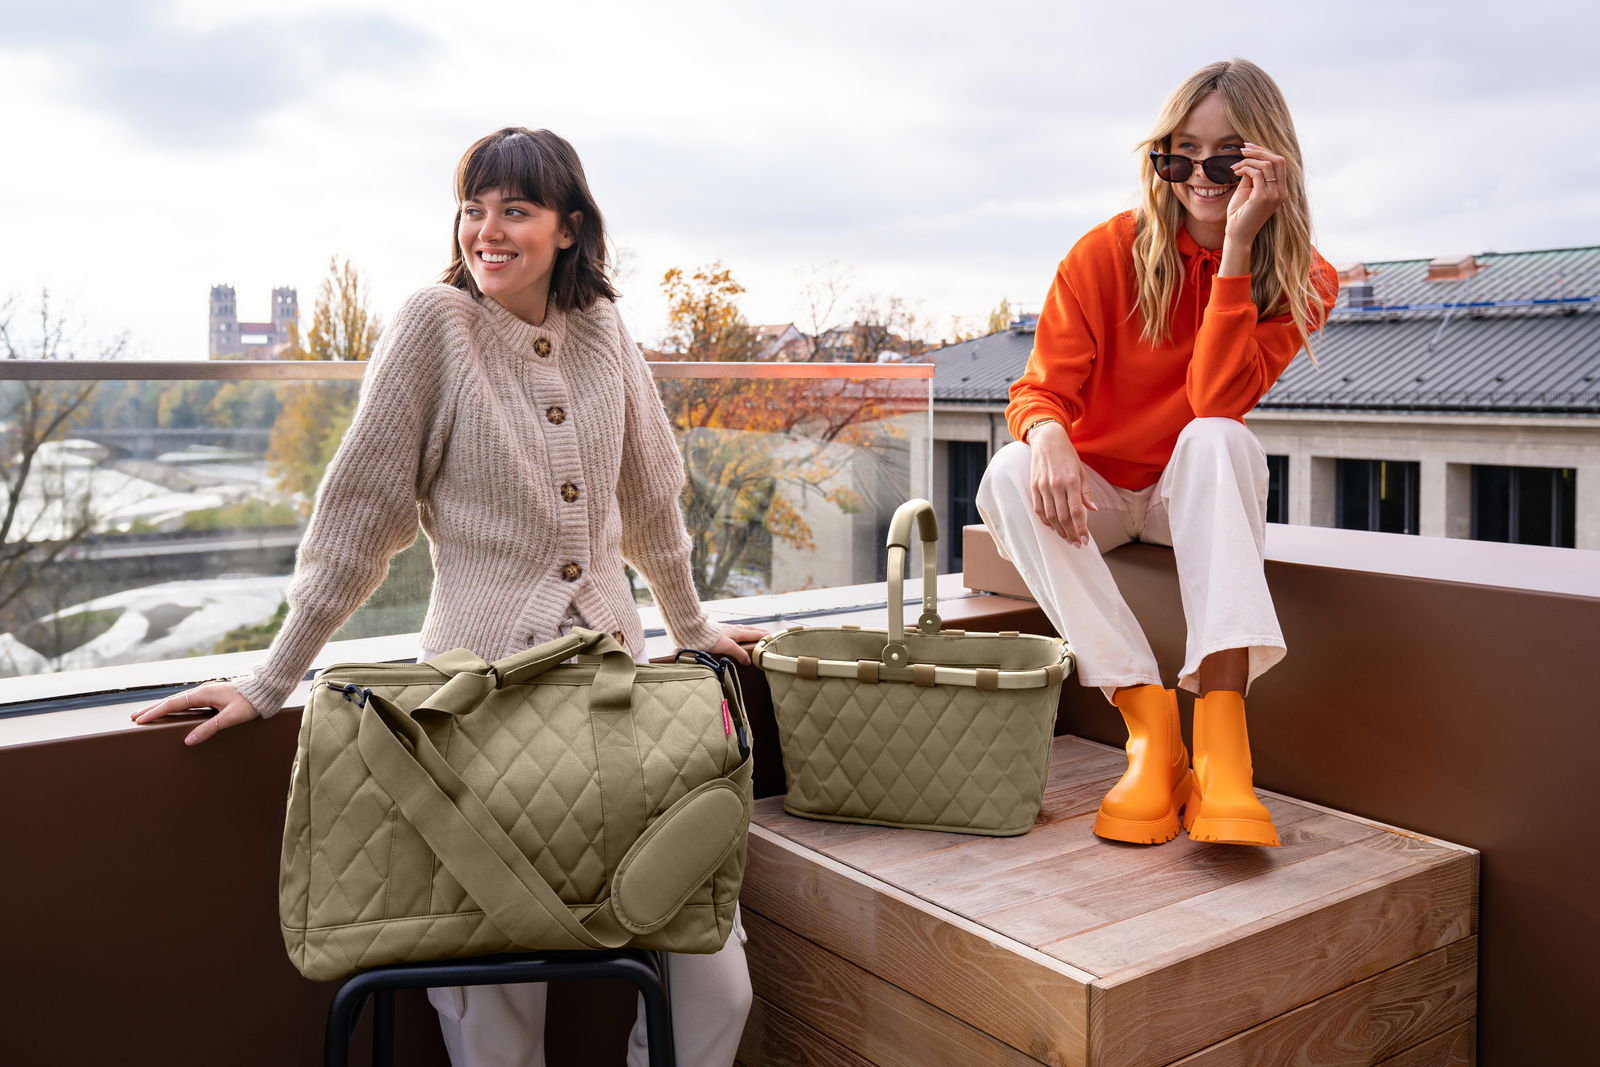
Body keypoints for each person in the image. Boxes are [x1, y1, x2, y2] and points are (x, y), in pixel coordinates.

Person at [134, 127, 764, 1066]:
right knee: (489, 995)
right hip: (474, 703)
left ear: (568, 228)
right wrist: (270, 681)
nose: (488, 230)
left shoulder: (605, 334)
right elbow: (356, 524)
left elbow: (651, 505)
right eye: (474, 208)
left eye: (515, 209)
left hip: (618, 700)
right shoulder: (436, 325)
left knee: (721, 985)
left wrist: (692, 626)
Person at [976, 59, 1337, 849]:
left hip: (1188, 499)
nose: (1198, 177)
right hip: (1097, 500)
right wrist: (1049, 435)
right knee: (1006, 473)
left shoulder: (1303, 277)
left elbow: (1214, 398)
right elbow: (1037, 392)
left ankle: (1224, 752)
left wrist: (1237, 248)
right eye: (1178, 156)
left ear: (1269, 160)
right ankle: (1151, 732)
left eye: (1224, 157)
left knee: (1220, 439)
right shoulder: (1105, 254)